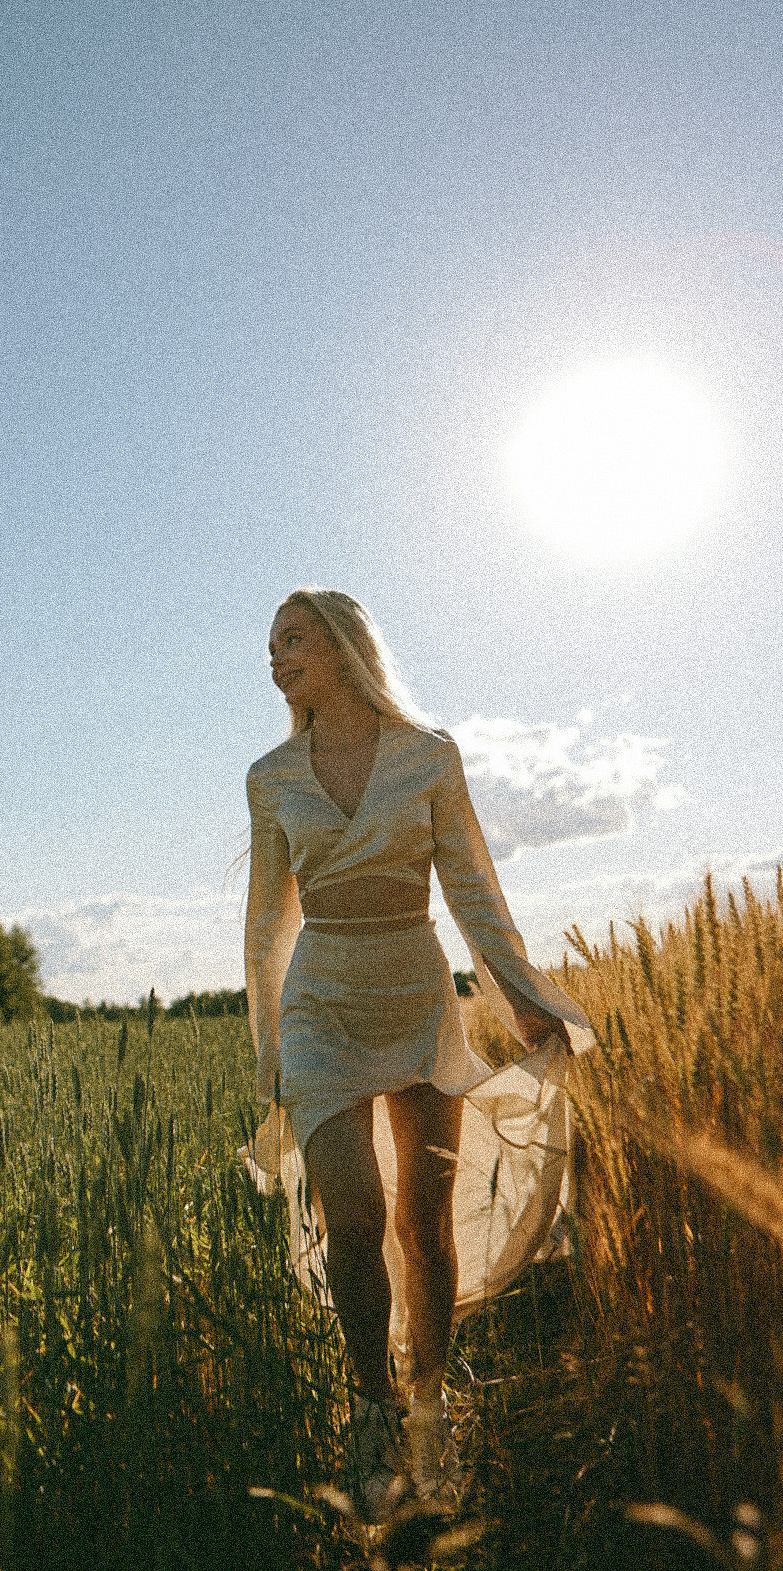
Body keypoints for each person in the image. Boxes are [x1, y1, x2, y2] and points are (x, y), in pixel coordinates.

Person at [243, 587, 596, 1520]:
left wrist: (521, 997)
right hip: (319, 1006)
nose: (275, 657)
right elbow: (268, 923)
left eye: (292, 639)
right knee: (354, 1214)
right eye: (270, 645)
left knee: (424, 1219)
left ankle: (431, 1411)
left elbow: (472, 886)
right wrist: (269, 1045)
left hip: (415, 995)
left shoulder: (429, 756)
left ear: (343, 647)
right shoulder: (270, 777)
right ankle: (373, 1416)